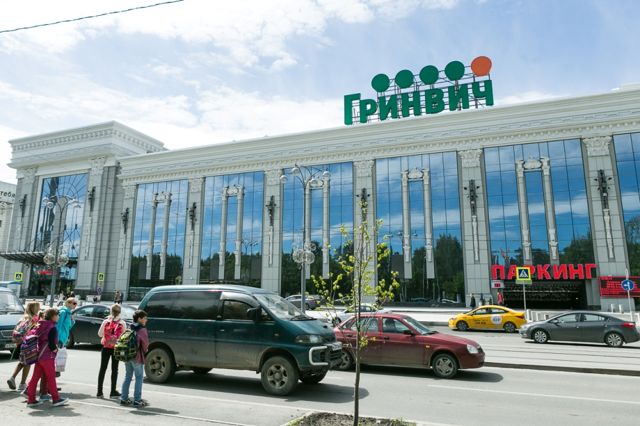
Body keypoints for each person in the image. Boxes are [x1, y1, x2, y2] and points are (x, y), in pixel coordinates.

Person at [26, 308, 69, 407]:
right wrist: (56, 350)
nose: (58, 317)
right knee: (51, 378)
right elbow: (51, 344)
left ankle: (31, 400)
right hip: (48, 356)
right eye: (57, 315)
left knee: (35, 378)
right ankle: (56, 399)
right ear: (53, 316)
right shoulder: (52, 327)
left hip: (39, 355)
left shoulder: (40, 324)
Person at [7, 302, 40, 392]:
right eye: (38, 307)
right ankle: (22, 383)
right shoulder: (35, 318)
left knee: (22, 361)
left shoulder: (23, 318)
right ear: (35, 308)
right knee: (28, 362)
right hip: (29, 342)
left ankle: (12, 378)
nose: (39, 309)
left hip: (21, 342)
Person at [120, 310, 149, 408]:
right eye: (144, 318)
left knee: (128, 376)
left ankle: (123, 398)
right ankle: (137, 400)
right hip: (137, 357)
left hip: (127, 356)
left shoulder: (130, 327)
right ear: (139, 319)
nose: (146, 320)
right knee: (139, 377)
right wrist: (145, 351)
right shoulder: (142, 330)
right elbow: (145, 345)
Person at [97, 304, 126, 398]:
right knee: (114, 370)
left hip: (105, 347)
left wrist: (107, 336)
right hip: (116, 348)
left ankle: (99, 392)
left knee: (102, 369)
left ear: (111, 311)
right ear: (120, 312)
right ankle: (113, 391)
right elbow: (124, 336)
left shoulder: (106, 321)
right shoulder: (122, 323)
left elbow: (99, 334)